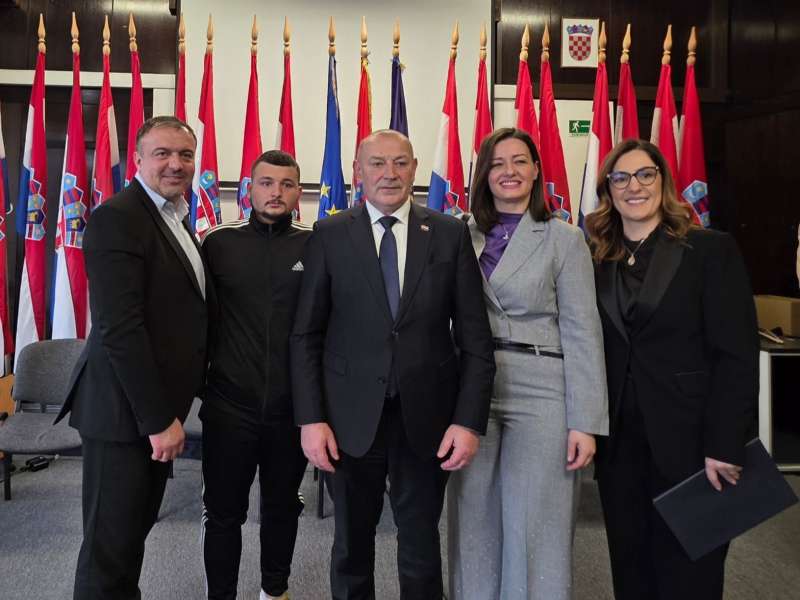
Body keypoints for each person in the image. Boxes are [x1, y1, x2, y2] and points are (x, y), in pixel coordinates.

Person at [290, 129, 495, 600]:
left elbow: (475, 340)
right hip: (347, 420)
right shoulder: (330, 234)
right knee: (350, 547)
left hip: (426, 419)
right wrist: (311, 419)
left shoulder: (448, 234)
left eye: (400, 163)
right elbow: (306, 336)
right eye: (377, 163)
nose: (389, 173)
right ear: (358, 171)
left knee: (421, 547)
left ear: (415, 168)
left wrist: (468, 421)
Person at [584, 139, 759, 600]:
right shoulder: (596, 258)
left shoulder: (709, 250)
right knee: (631, 569)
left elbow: (736, 356)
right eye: (621, 178)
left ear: (663, 182)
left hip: (693, 443)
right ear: (608, 190)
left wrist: (726, 443)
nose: (634, 186)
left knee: (692, 572)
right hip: (620, 446)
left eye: (646, 174)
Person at [447, 127, 608, 600]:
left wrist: (585, 421)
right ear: (483, 174)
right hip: (471, 386)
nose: (509, 171)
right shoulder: (459, 233)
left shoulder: (564, 239)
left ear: (537, 170)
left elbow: (583, 331)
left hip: (543, 387)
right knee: (472, 511)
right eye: (497, 163)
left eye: (520, 161)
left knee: (536, 519)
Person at [55, 116, 209, 599]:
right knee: (108, 550)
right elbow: (121, 329)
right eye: (162, 153)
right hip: (125, 414)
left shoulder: (174, 215)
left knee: (129, 538)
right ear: (138, 160)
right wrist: (158, 420)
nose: (175, 164)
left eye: (185, 154)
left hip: (151, 411)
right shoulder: (118, 218)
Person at [200, 150, 311, 600]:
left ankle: (274, 591)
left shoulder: (316, 244)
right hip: (230, 408)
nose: (275, 193)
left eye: (286, 184)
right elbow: (196, 320)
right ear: (249, 188)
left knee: (282, 509)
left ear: (298, 192)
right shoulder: (217, 242)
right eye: (266, 183)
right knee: (223, 514)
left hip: (291, 410)